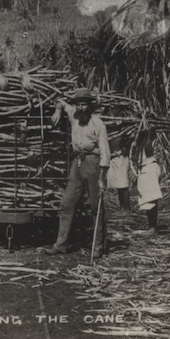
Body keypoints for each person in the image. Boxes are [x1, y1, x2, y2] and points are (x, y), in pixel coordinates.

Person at [44, 88, 111, 259]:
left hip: (93, 163)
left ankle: (98, 246)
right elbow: (60, 100)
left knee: (96, 206)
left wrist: (102, 177)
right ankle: (61, 244)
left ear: (90, 106)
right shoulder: (74, 115)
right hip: (77, 163)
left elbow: (104, 151)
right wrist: (58, 110)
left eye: (84, 104)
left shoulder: (97, 124)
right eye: (78, 104)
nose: (81, 108)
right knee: (66, 203)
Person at [135, 127, 162, 235]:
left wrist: (146, 132)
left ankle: (153, 227)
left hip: (150, 169)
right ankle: (151, 225)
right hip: (146, 169)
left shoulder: (148, 142)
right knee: (148, 198)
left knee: (151, 198)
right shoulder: (142, 143)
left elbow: (149, 148)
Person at [107, 130, 132, 213]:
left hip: (121, 159)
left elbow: (126, 149)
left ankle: (127, 208)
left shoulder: (123, 131)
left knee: (123, 185)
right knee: (118, 185)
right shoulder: (110, 131)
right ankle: (122, 208)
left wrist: (118, 152)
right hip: (113, 159)